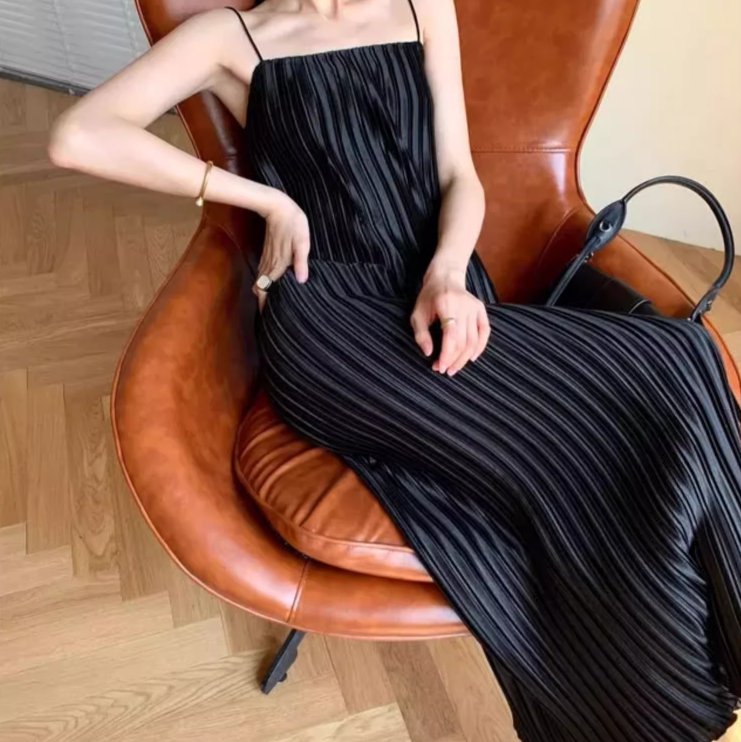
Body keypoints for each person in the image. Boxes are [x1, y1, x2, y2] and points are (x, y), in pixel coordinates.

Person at [47, 1, 741, 740]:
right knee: (593, 436)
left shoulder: (420, 7)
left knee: (682, 356)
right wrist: (265, 200)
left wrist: (447, 272)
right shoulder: (231, 37)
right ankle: (666, 718)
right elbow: (77, 135)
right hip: (332, 324)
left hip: (439, 292)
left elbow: (459, 175)